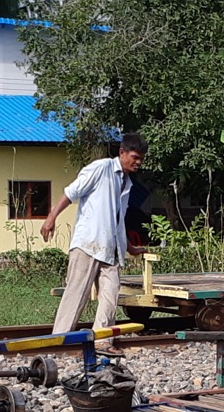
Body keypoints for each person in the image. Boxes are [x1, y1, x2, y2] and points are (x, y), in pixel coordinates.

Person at [42, 133, 147, 336]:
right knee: (76, 294)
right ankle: (59, 339)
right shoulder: (102, 168)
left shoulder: (126, 183)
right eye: (135, 157)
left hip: (111, 249)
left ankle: (102, 340)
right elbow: (71, 192)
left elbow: (117, 220)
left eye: (141, 159)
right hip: (88, 244)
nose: (138, 162)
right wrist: (51, 217)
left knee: (110, 295)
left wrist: (130, 247)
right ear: (122, 152)